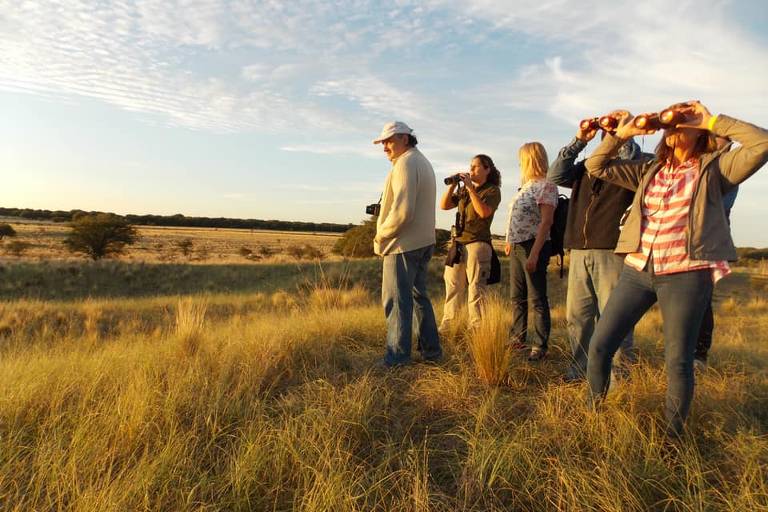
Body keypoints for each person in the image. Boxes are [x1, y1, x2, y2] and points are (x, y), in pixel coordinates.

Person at [584, 101, 768, 437]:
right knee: (599, 345)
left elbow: (763, 143)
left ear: (701, 133)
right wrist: (623, 135)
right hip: (638, 270)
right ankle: (591, 419)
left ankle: (671, 441)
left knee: (678, 362)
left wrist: (711, 119)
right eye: (673, 121)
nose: (675, 125)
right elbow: (596, 165)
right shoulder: (649, 169)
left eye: (684, 121)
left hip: (686, 274)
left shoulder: (716, 169)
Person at [548, 120, 649, 382]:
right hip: (580, 251)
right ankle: (581, 369)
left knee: (614, 319)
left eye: (613, 135)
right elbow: (555, 176)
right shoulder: (585, 168)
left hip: (613, 251)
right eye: (606, 135)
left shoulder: (635, 165)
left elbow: (630, 158)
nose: (609, 137)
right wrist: (580, 139)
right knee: (578, 317)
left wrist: (624, 137)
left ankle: (619, 378)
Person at [373, 121, 442, 367]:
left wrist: (381, 235)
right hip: (423, 241)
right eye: (383, 143)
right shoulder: (421, 161)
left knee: (396, 301)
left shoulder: (405, 163)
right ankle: (431, 351)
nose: (385, 148)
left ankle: (397, 358)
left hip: (403, 244)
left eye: (389, 141)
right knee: (418, 297)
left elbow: (403, 212)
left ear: (404, 138)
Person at [505, 142, 558, 361]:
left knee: (536, 297)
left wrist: (535, 253)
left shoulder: (546, 186)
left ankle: (540, 345)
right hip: (517, 246)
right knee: (517, 297)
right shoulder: (526, 187)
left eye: (522, 159)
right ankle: (518, 338)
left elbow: (546, 222)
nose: (519, 164)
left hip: (532, 245)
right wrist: (509, 240)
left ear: (531, 159)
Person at [439, 155, 502, 331]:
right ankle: (448, 327)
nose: (471, 170)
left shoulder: (492, 191)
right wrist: (453, 186)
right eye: (470, 167)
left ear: (487, 169)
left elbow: (483, 212)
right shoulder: (464, 191)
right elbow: (444, 206)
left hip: (478, 244)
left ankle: (476, 329)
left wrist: (470, 188)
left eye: (475, 167)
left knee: (476, 289)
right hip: (458, 244)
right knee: (452, 286)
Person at [694, 137, 740, 370]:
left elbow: (714, 205)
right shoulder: (697, 164)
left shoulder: (729, 172)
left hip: (708, 245)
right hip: (685, 244)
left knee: (701, 300)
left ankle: (699, 355)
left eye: (723, 141)